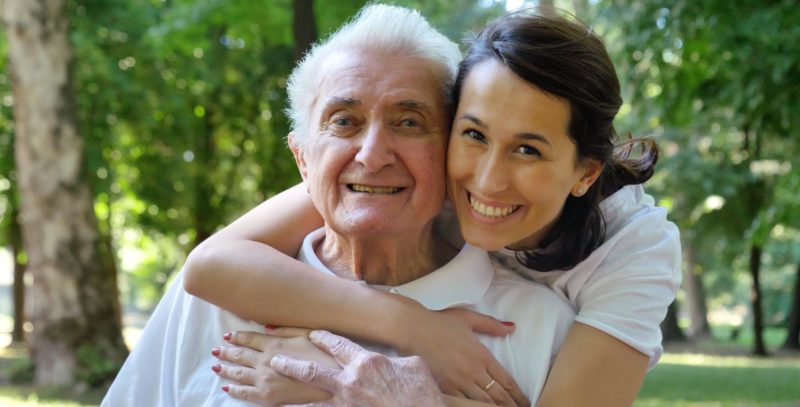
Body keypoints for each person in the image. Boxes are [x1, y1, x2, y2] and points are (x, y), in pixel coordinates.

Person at [103, 5, 577, 406]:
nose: (372, 154)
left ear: (452, 148)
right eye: (344, 121)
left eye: (409, 122)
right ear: (302, 158)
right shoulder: (207, 302)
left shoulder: (533, 326)